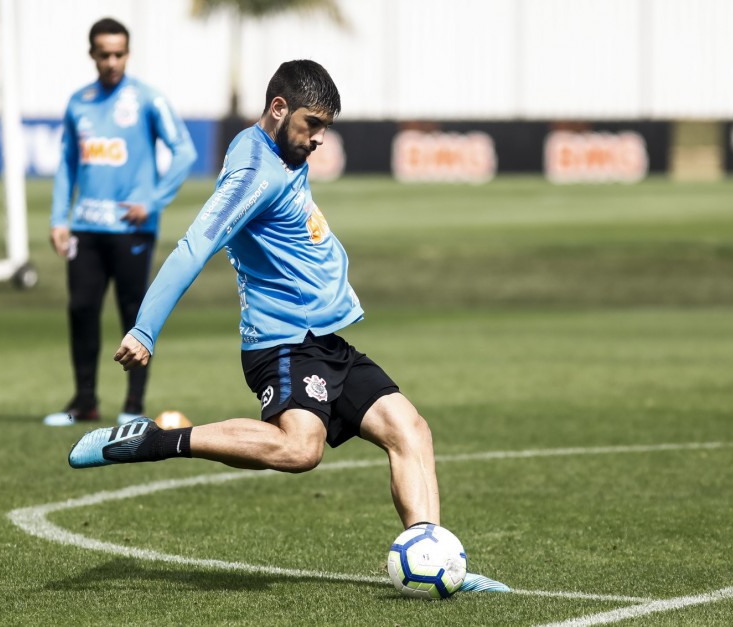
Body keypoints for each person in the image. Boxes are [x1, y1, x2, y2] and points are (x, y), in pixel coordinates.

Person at [68, 60, 507, 593]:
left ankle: (440, 561)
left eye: (325, 127)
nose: (319, 139)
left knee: (409, 430)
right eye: (312, 124)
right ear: (279, 109)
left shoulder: (279, 147)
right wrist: (144, 329)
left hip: (323, 340)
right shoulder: (254, 173)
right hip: (284, 342)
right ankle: (158, 441)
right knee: (301, 449)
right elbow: (194, 246)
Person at [44, 18, 197, 427]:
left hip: (132, 229)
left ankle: (133, 404)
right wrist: (60, 218)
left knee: (135, 314)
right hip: (86, 228)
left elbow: (184, 152)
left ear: (127, 53)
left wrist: (153, 200)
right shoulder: (80, 102)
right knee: (81, 309)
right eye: (104, 53)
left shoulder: (147, 99)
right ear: (92, 54)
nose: (112, 61)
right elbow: (67, 163)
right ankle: (85, 401)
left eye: (119, 53)